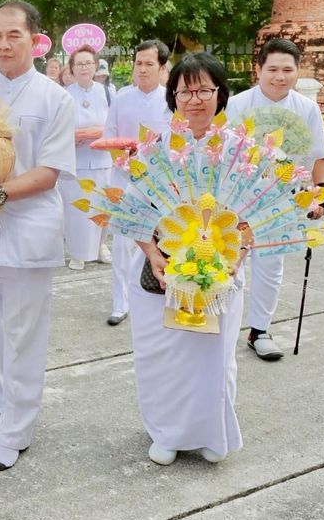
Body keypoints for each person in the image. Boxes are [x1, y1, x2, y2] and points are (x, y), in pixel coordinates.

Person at [0, 0, 77, 471]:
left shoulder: (54, 99)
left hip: (28, 228)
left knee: (23, 332)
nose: (4, 44)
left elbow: (49, 172)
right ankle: (6, 395)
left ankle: (16, 432)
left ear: (35, 41)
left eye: (14, 36)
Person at [131, 52, 247, 466]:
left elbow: (252, 216)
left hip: (219, 270)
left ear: (220, 93)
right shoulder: (156, 148)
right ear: (173, 96)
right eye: (186, 91)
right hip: (159, 268)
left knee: (212, 356)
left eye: (204, 90)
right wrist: (152, 253)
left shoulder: (240, 151)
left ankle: (211, 430)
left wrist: (236, 259)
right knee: (162, 355)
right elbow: (135, 210)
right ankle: (166, 431)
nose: (195, 99)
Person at [225, 38, 324, 361]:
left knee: (271, 266)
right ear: (258, 69)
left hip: (282, 201)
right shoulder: (237, 105)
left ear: (297, 72)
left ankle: (259, 330)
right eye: (272, 68)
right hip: (238, 199)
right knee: (231, 264)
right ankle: (221, 327)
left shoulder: (307, 109)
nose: (279, 76)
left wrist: (322, 199)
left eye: (288, 69)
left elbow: (320, 158)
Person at [102, 40, 172, 326]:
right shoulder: (121, 99)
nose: (142, 70)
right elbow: (109, 136)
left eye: (149, 64)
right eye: (138, 63)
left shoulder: (171, 101)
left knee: (159, 243)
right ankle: (120, 303)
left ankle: (157, 293)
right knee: (121, 244)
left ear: (162, 68)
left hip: (160, 185)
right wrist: (123, 159)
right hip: (123, 177)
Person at [61, 46, 113, 269]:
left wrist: (100, 132)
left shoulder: (108, 92)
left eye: (88, 63)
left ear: (95, 66)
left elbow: (114, 124)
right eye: (79, 64)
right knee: (77, 209)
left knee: (103, 206)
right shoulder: (63, 94)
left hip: (102, 160)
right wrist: (72, 136)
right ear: (72, 68)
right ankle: (77, 252)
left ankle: (101, 245)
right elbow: (58, 127)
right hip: (76, 160)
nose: (84, 67)